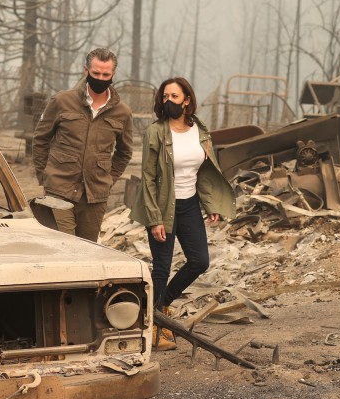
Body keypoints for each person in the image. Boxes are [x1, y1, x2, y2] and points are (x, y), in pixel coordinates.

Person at [130, 77, 236, 350]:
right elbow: (148, 178)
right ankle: (155, 326)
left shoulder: (200, 131)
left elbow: (203, 171)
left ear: (187, 100)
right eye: (165, 96)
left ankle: (161, 305)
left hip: (188, 204)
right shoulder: (155, 132)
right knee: (162, 267)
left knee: (200, 261)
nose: (168, 101)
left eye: (174, 97)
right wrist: (154, 219)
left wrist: (210, 204)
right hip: (163, 207)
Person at [32, 48, 134, 241]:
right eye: (96, 73)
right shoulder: (62, 101)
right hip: (59, 190)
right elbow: (41, 140)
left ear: (113, 75)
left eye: (106, 74)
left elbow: (124, 153)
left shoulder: (122, 112)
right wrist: (44, 178)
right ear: (86, 70)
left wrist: (108, 179)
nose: (101, 78)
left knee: (87, 251)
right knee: (63, 247)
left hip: (95, 197)